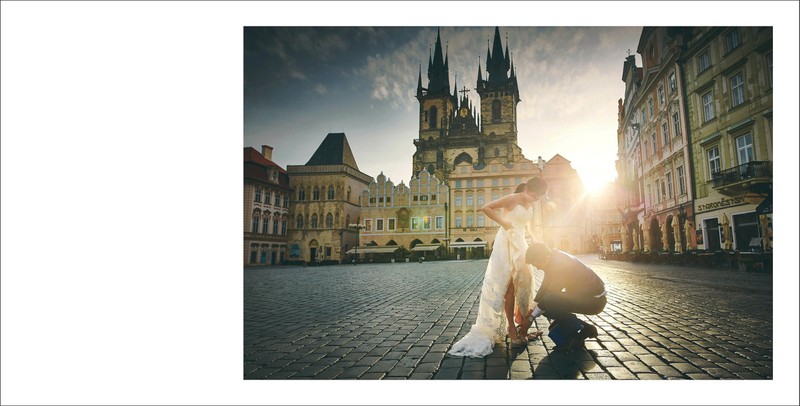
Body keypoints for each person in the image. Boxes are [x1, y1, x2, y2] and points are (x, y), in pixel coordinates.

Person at [448, 177, 548, 358]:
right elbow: (486, 207)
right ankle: (511, 328)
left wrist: (540, 243)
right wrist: (504, 223)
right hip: (507, 242)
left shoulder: (531, 205)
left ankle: (521, 322)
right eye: (538, 197)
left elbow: (531, 227)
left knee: (525, 282)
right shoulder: (513, 198)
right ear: (531, 191)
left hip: (521, 243)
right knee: (509, 286)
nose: (537, 200)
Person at [517, 242, 606, 351]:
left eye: (536, 264)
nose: (538, 268)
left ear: (541, 258)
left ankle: (577, 337)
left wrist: (530, 319)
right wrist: (531, 311)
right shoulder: (553, 258)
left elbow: (549, 296)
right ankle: (586, 329)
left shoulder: (560, 264)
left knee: (549, 303)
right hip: (586, 297)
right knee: (548, 312)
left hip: (594, 300)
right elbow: (544, 287)